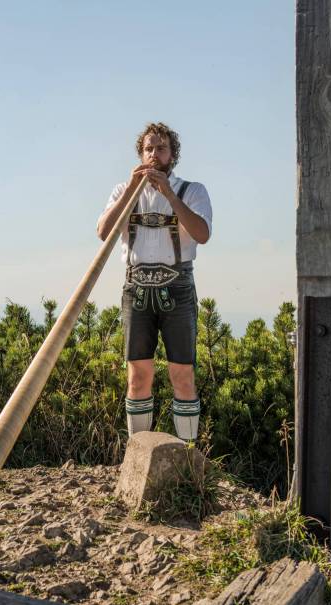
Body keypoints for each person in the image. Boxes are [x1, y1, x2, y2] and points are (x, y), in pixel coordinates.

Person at [96, 122, 212, 441]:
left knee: (182, 375)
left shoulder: (193, 190)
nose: (153, 154)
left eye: (160, 148)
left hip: (178, 287)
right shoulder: (123, 191)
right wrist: (132, 190)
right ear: (139, 154)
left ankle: (187, 455)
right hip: (135, 287)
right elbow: (104, 232)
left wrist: (169, 195)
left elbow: (202, 234)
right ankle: (138, 453)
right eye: (148, 148)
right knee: (137, 376)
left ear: (172, 155)